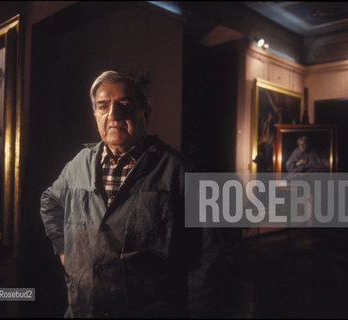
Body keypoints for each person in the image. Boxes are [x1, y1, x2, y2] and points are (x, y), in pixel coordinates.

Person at [40, 71, 222, 318]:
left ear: (145, 113)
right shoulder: (78, 165)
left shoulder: (177, 170)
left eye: (125, 105)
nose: (113, 115)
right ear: (95, 115)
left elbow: (206, 254)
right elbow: (49, 202)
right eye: (103, 107)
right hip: (84, 310)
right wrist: (63, 248)